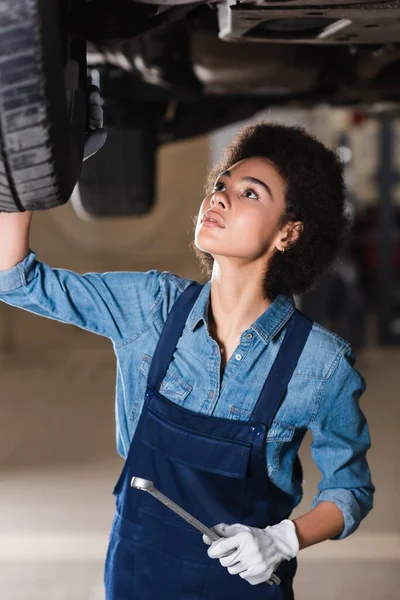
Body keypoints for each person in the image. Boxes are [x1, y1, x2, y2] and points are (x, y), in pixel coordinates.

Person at [0, 121, 374, 600]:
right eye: (221, 184)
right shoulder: (151, 308)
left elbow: (350, 489)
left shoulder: (320, 365)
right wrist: (34, 160)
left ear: (289, 233)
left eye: (250, 193)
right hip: (138, 575)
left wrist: (282, 539)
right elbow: (16, 280)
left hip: (245, 587)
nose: (219, 197)